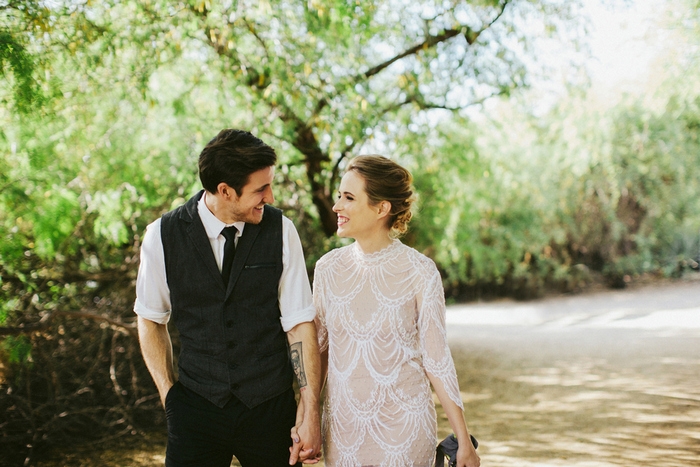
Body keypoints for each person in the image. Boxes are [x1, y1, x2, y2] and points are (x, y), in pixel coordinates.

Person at [134, 129, 322, 467]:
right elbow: (150, 318)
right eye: (260, 189)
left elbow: (299, 323)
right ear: (225, 191)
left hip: (269, 406)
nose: (271, 196)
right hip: (195, 409)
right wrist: (169, 396)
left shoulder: (282, 231)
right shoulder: (161, 236)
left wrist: (309, 409)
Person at [312, 155, 480, 467]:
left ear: (381, 208)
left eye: (348, 197)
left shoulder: (420, 271)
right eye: (339, 196)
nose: (336, 207)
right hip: (343, 432)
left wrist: (463, 436)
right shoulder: (327, 270)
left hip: (404, 430)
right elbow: (318, 350)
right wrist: (307, 416)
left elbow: (437, 358)